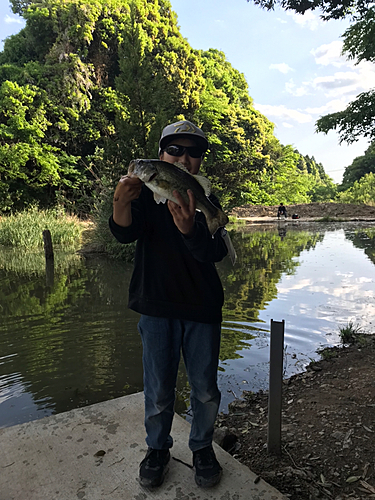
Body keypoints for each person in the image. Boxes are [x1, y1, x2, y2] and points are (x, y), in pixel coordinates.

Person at [109, 120, 228, 489]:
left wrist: (191, 230)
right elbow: (125, 233)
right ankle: (157, 449)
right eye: (175, 150)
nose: (184, 158)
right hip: (156, 306)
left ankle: (202, 448)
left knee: (205, 388)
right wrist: (119, 202)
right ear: (161, 156)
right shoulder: (145, 195)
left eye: (193, 152)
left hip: (202, 307)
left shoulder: (205, 202)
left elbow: (217, 251)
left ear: (200, 161)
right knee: (159, 388)